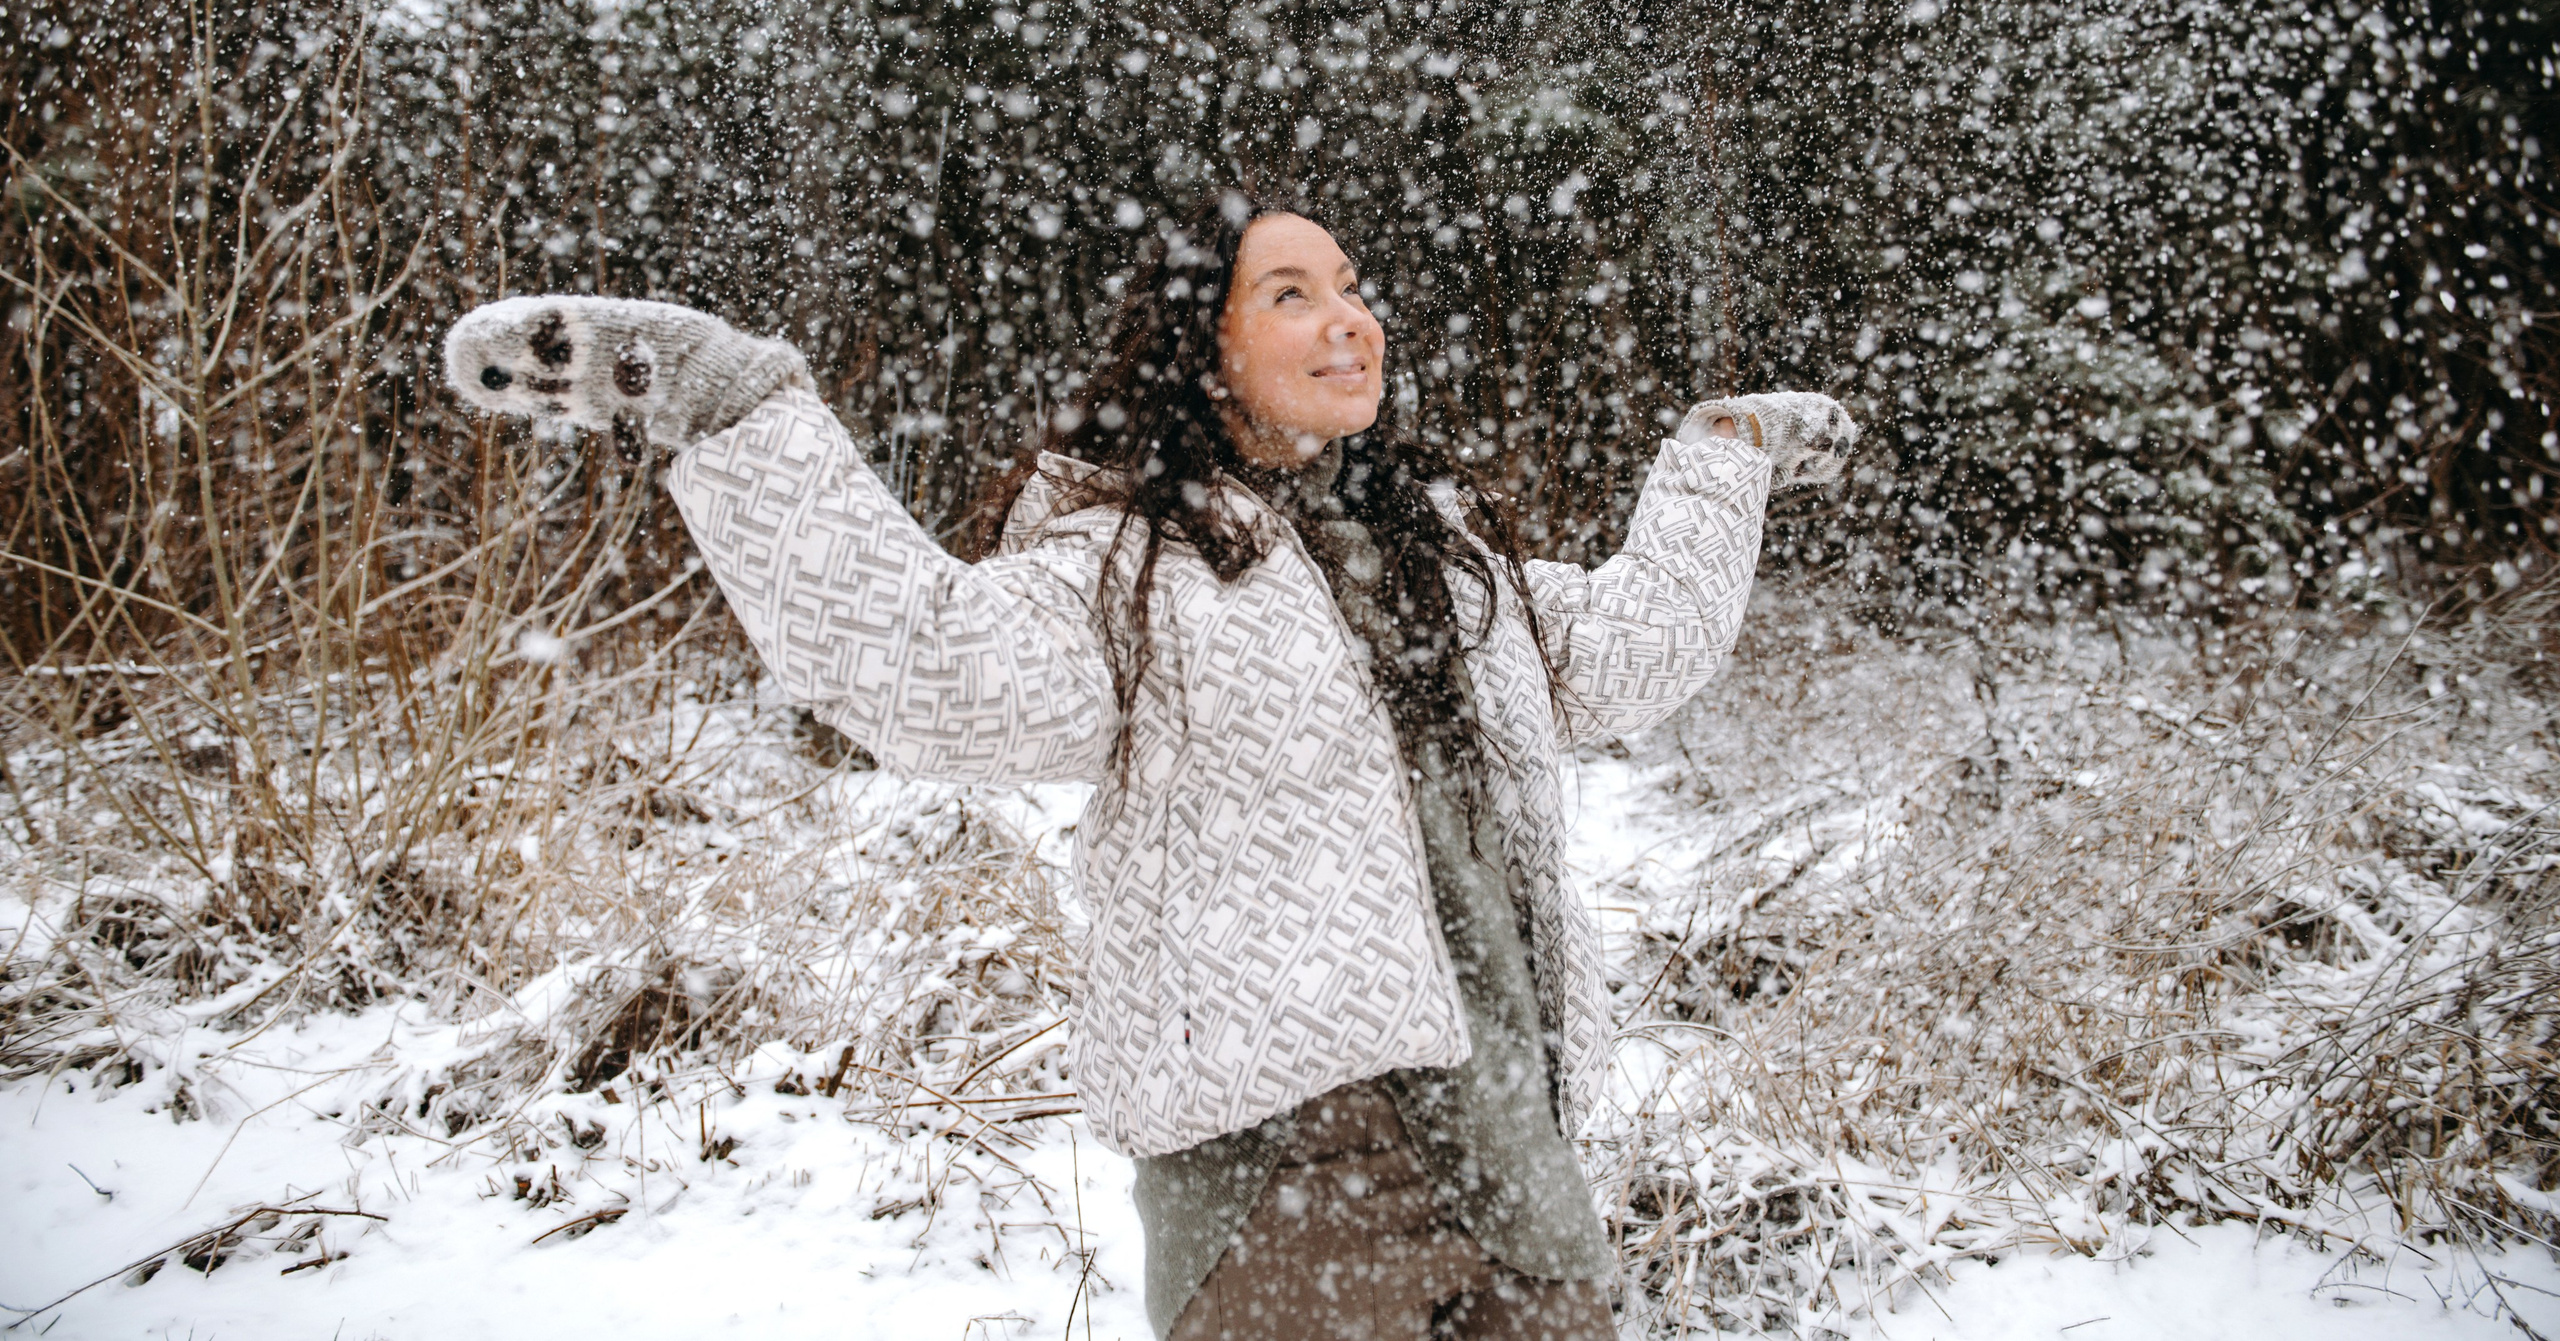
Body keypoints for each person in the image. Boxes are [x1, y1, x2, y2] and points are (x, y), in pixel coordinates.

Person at [443, 196, 1858, 1340]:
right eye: (1290, 292)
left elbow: (1633, 646)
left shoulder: (1446, 562)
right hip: (1287, 1187)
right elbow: (933, 671)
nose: (1346, 316)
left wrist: (1717, 457)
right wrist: (733, 407)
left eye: (1350, 284)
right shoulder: (1132, 566)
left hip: (1513, 1161)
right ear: (1200, 347)